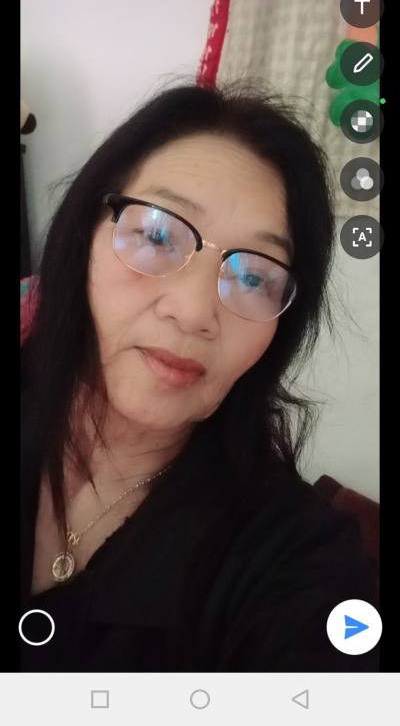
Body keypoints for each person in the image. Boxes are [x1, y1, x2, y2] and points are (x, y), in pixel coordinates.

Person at [20, 81, 379, 672]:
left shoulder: (295, 559)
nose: (193, 312)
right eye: (158, 235)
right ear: (81, 241)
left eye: (255, 276)